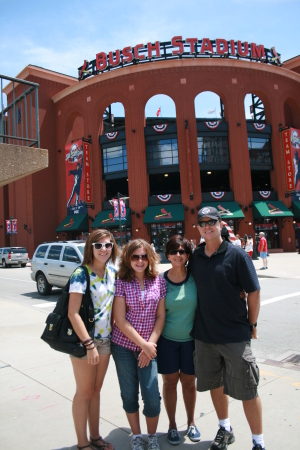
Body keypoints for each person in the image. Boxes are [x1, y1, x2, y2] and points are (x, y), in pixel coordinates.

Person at [189, 206, 265, 450]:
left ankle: (258, 443)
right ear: (198, 227)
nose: (207, 226)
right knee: (215, 384)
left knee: (248, 390)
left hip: (234, 337)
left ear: (220, 224)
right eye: (202, 222)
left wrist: (252, 324)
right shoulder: (196, 258)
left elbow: (253, 291)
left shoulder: (237, 255)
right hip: (204, 337)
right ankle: (225, 428)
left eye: (212, 221)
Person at [111, 239, 166, 450]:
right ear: (128, 258)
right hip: (123, 347)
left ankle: (151, 436)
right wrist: (144, 345)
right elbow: (120, 320)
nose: (140, 261)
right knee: (129, 394)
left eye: (144, 256)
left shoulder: (158, 281)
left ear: (150, 258)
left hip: (149, 348)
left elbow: (160, 316)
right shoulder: (121, 281)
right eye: (135, 256)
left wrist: (149, 346)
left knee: (152, 396)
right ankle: (136, 436)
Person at [68, 229, 119, 450]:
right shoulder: (81, 273)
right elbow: (73, 313)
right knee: (84, 391)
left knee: (96, 391)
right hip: (85, 342)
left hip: (106, 341)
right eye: (98, 245)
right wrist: (89, 344)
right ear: (90, 248)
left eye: (108, 245)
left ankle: (96, 437)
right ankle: (82, 442)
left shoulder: (112, 272)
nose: (104, 249)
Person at [157, 235, 201, 446]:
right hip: (167, 341)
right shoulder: (160, 280)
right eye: (174, 251)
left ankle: (191, 422)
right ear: (167, 255)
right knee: (170, 382)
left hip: (191, 341)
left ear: (188, 255)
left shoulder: (196, 277)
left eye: (182, 251)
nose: (178, 255)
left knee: (189, 383)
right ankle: (172, 425)